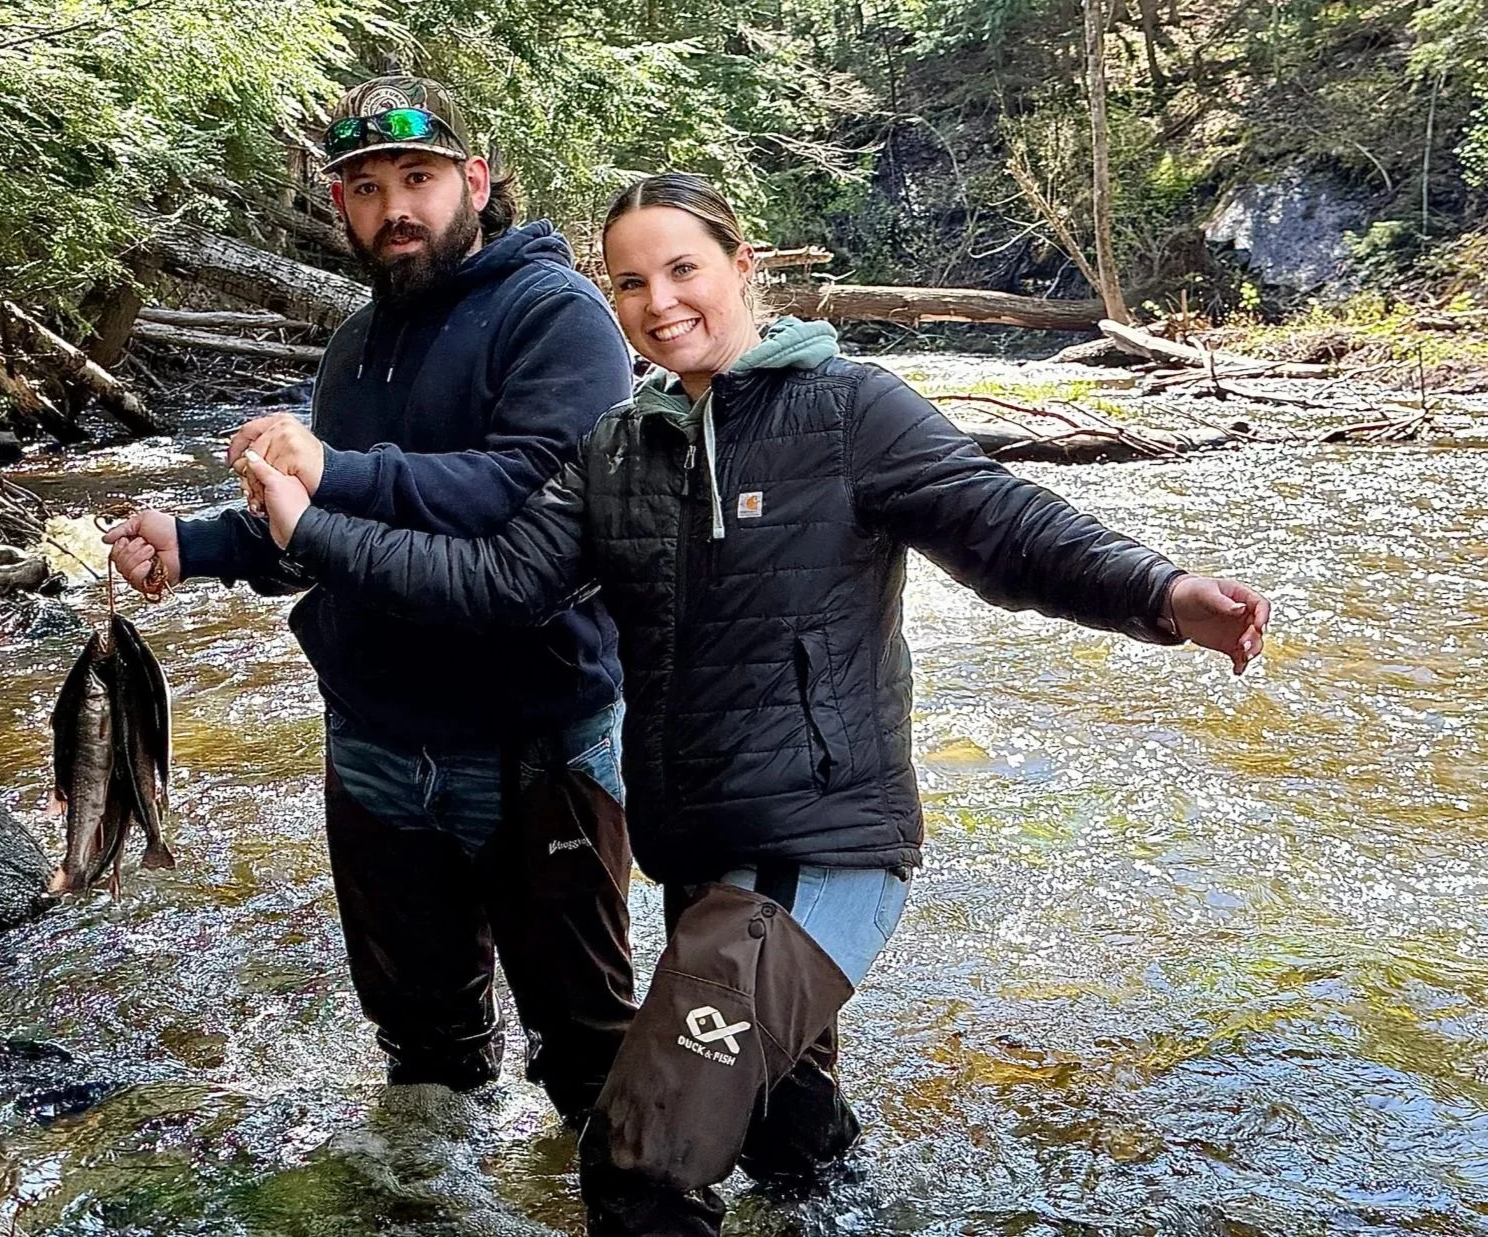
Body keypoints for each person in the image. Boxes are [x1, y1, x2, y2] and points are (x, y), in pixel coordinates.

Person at [234, 172, 1271, 1236]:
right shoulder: (616, 449)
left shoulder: (846, 411)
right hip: (703, 859)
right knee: (790, 1150)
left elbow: (1000, 526)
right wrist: (307, 531)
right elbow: (494, 585)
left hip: (817, 852)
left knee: (638, 1166)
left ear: (744, 268)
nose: (660, 301)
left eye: (684, 268)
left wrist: (1161, 594)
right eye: (631, 281)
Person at [102, 76, 639, 1126]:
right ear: (340, 203)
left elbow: (522, 491)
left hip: (534, 744)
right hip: (376, 749)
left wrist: (338, 469)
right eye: (364, 186)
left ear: (474, 182)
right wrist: (197, 544)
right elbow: (319, 539)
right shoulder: (355, 344)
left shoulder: (556, 315)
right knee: (425, 1053)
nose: (394, 205)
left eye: (419, 177)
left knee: (589, 1053)